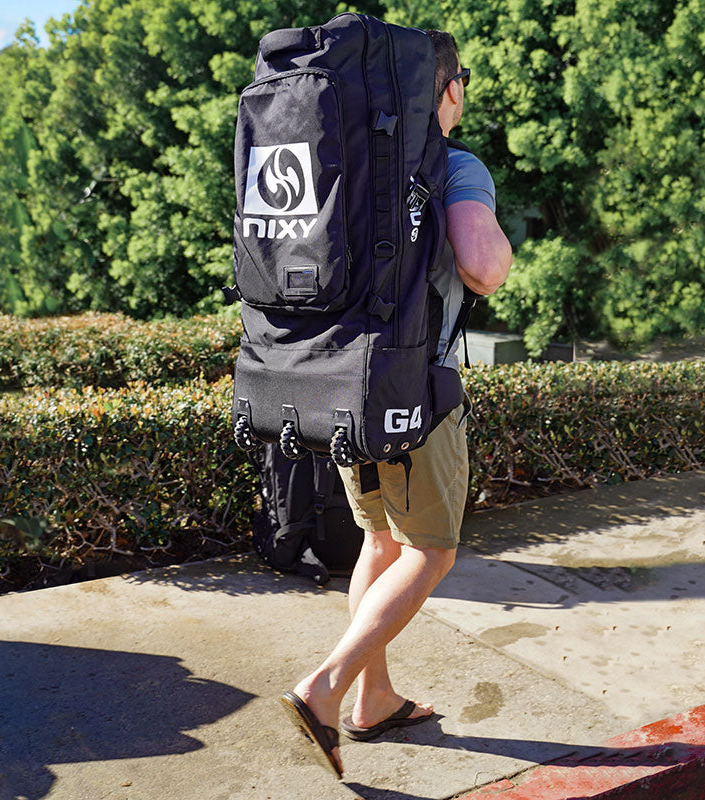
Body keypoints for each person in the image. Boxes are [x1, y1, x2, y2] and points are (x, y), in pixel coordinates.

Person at [279, 29, 513, 778]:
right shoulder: (455, 164)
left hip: (340, 383)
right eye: (464, 80)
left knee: (380, 543)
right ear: (448, 90)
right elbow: (481, 266)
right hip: (418, 387)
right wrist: (502, 251)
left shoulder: (349, 163)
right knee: (431, 552)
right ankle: (326, 687)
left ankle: (372, 701)